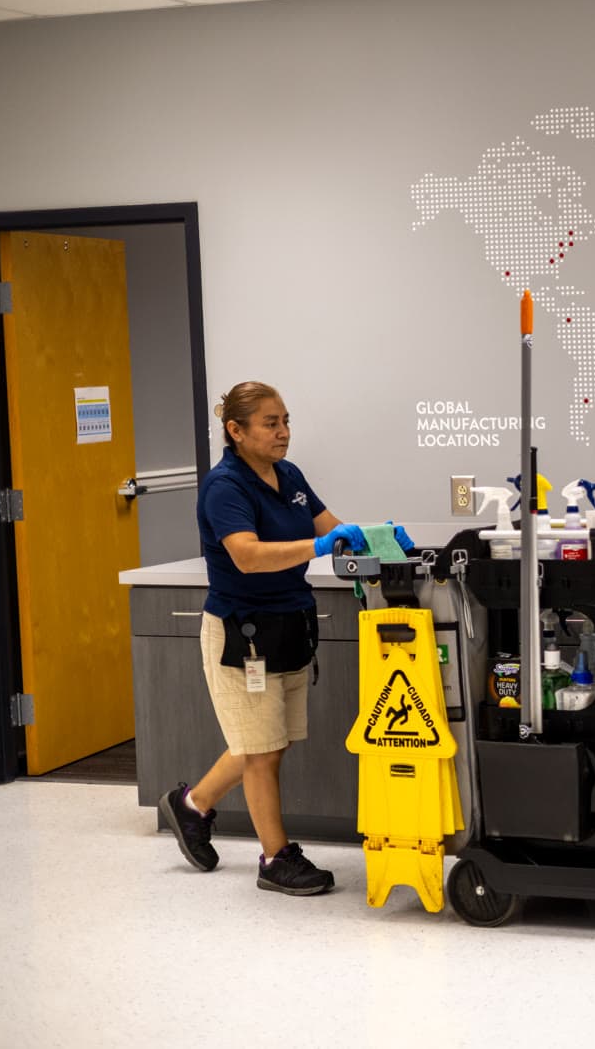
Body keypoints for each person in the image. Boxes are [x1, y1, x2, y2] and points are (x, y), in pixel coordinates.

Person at [159, 381, 413, 896]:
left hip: (289, 625)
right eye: (271, 423)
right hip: (243, 634)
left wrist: (377, 540)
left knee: (269, 740)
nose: (283, 432)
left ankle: (192, 805)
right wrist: (320, 545)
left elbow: (334, 529)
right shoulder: (224, 486)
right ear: (236, 430)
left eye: (286, 421)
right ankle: (275, 859)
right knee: (262, 751)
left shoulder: (290, 476)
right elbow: (247, 556)